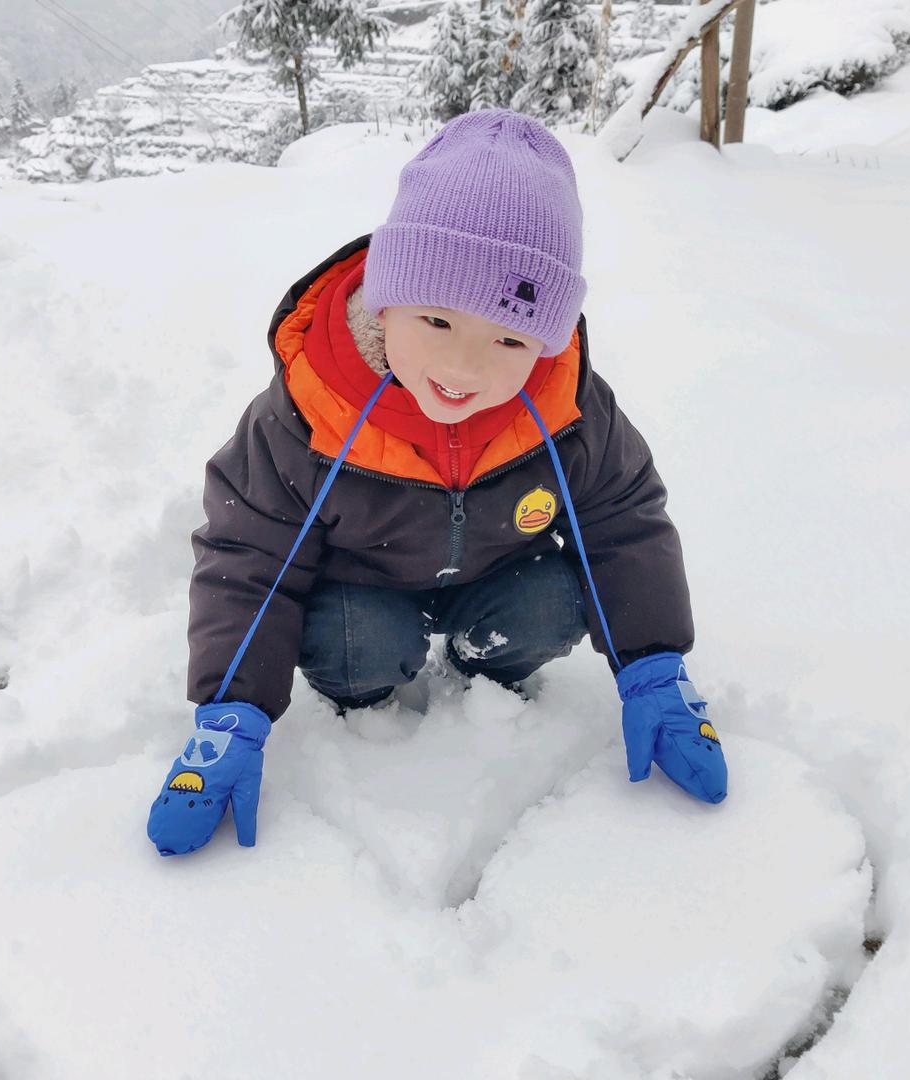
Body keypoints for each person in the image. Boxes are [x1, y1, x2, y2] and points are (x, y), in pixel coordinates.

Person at [147, 109, 728, 858]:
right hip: (363, 587)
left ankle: (484, 664)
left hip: (496, 572)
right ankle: (364, 693)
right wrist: (230, 711)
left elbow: (623, 521)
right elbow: (249, 551)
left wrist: (653, 665)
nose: (463, 368)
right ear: (387, 300)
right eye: (437, 321)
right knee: (358, 644)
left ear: (545, 339)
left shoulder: (567, 410)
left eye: (509, 337)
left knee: (553, 604)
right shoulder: (314, 410)